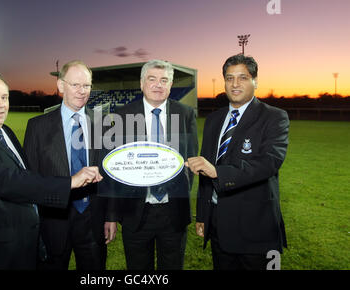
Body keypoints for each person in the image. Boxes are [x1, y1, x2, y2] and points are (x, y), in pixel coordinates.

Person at [0, 71, 102, 270]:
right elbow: (9, 181)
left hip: (18, 245)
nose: (0, 104)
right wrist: (70, 182)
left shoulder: (3, 131)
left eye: (4, 97)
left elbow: (26, 174)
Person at [185, 54, 290, 270]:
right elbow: (205, 169)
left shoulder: (274, 117)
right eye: (229, 78)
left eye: (243, 77)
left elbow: (269, 163)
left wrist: (218, 172)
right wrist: (203, 215)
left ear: (255, 81)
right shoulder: (214, 119)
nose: (235, 84)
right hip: (218, 226)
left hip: (256, 229)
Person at [23, 60, 117, 270]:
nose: (82, 91)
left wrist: (110, 216)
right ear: (60, 85)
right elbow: (29, 180)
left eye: (86, 85)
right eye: (75, 85)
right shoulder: (37, 127)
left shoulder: (103, 124)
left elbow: (109, 176)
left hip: (93, 219)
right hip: (53, 220)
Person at [113, 59, 198, 270]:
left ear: (170, 85)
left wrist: (179, 191)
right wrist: (113, 214)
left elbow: (190, 158)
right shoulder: (123, 115)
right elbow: (116, 168)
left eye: (164, 80)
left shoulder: (186, 114)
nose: (158, 85)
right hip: (136, 213)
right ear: (142, 83)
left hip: (173, 212)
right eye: (152, 79)